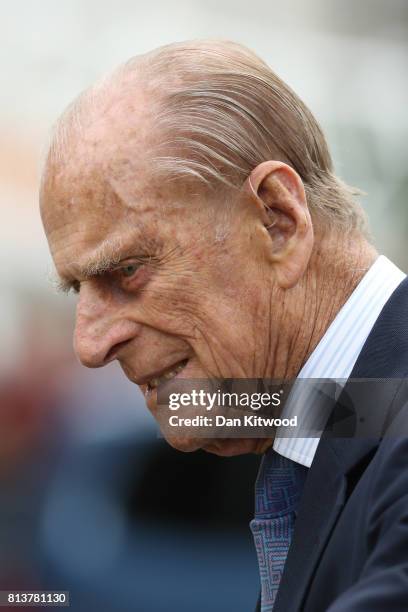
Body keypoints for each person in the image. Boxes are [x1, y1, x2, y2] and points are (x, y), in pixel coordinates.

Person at [39, 40, 408, 611]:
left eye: (127, 271)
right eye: (78, 291)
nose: (89, 345)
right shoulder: (325, 409)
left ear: (278, 220)